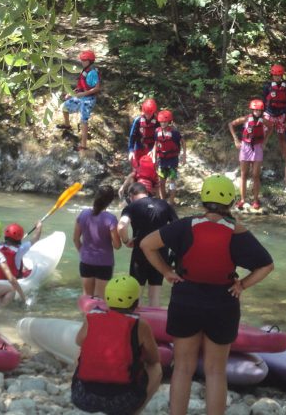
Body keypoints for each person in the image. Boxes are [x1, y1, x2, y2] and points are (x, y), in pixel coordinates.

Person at [140, 175, 274, 415]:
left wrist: (167, 272)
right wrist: (242, 285)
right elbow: (266, 266)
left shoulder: (185, 225)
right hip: (223, 304)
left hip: (186, 300)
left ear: (203, 199)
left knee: (182, 368)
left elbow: (147, 244)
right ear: (231, 202)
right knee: (215, 371)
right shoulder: (237, 230)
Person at [71, 275, 162, 415]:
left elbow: (78, 341)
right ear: (136, 302)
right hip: (122, 401)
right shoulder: (140, 325)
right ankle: (134, 412)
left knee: (82, 350)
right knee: (156, 368)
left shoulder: (92, 318)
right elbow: (154, 359)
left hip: (83, 396)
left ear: (107, 299)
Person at [118, 183, 178, 307]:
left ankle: (137, 324)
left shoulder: (132, 206)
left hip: (139, 254)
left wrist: (126, 240)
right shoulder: (164, 205)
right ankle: (153, 325)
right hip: (160, 255)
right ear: (146, 192)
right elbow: (177, 228)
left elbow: (121, 226)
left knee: (135, 295)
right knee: (155, 296)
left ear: (131, 195)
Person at [74, 186, 121, 298]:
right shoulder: (110, 219)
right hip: (104, 262)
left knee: (87, 297)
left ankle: (85, 316)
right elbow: (117, 245)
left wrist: (82, 252)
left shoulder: (83, 214)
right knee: (100, 299)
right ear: (110, 201)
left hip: (86, 260)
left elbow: (75, 239)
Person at [228, 99, 271, 210]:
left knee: (256, 174)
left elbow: (271, 127)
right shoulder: (246, 118)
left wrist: (265, 141)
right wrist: (236, 140)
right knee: (244, 174)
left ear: (262, 111)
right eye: (255, 110)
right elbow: (231, 124)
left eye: (259, 110)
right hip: (245, 147)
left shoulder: (264, 120)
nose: (257, 112)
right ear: (252, 110)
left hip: (257, 147)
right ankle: (242, 199)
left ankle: (255, 200)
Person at [59, 49, 102, 151]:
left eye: (84, 60)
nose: (82, 62)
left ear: (90, 61)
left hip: (89, 99)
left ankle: (83, 145)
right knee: (65, 107)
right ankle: (67, 125)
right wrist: (71, 93)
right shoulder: (85, 70)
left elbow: (97, 88)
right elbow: (80, 86)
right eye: (82, 60)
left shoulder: (92, 73)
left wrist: (84, 93)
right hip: (81, 96)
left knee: (83, 120)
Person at [152, 110, 186, 204]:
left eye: (165, 122)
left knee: (172, 180)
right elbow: (156, 144)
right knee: (161, 182)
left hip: (172, 160)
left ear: (169, 122)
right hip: (162, 160)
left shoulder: (174, 133)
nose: (163, 124)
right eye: (161, 122)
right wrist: (154, 158)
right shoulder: (157, 131)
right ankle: (163, 201)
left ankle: (171, 201)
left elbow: (183, 142)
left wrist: (184, 156)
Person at [262, 64, 286, 159]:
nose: (277, 77)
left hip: (281, 114)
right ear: (272, 75)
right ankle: (259, 153)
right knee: (264, 133)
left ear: (281, 75)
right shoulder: (267, 86)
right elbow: (263, 100)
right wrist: (262, 113)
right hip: (269, 113)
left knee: (282, 136)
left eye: (278, 76)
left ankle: (285, 156)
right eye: (275, 75)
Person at [128, 98, 159, 171]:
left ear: (154, 112)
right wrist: (131, 150)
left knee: (150, 169)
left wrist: (154, 151)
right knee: (136, 169)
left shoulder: (157, 122)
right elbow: (132, 136)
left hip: (151, 148)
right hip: (139, 146)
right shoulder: (138, 120)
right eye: (146, 113)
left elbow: (158, 139)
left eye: (150, 113)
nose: (148, 115)